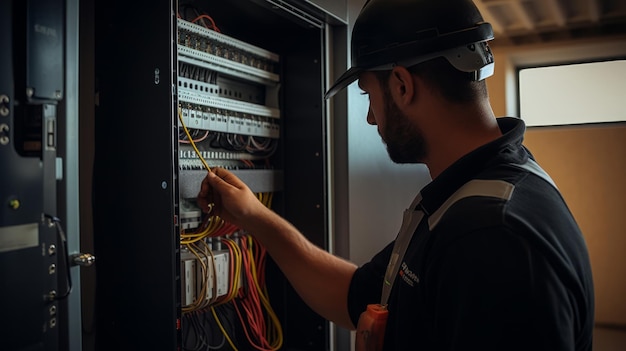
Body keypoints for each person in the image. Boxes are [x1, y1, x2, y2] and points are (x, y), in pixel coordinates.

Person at [197, 0, 595, 349]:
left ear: (402, 85)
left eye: (369, 95)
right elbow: (353, 295)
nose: (370, 117)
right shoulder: (469, 195)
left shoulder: (492, 236)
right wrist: (252, 216)